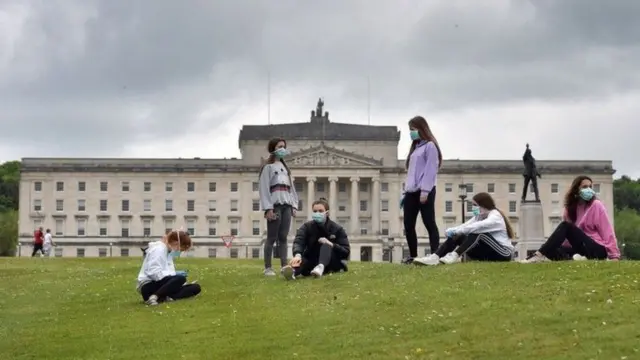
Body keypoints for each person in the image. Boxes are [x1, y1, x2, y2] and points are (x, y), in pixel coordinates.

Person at [523, 175, 620, 263]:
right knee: (552, 249)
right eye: (585, 187)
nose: (589, 190)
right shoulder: (569, 209)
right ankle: (576, 259)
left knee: (566, 225)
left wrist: (614, 255)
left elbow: (607, 232)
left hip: (597, 248)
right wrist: (556, 246)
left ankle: (538, 255)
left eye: (590, 187)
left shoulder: (596, 205)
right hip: (579, 247)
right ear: (576, 190)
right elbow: (569, 237)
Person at [413, 192, 515, 265]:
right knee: (459, 235)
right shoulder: (479, 216)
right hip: (488, 253)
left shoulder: (495, 216)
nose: (473, 208)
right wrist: (452, 230)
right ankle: (435, 257)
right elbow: (465, 226)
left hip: (503, 254)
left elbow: (479, 226)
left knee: (477, 232)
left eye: (475, 205)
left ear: (483, 205)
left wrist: (458, 231)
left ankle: (454, 256)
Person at [401, 116, 443, 264]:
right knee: (408, 224)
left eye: (412, 129)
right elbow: (411, 173)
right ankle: (413, 256)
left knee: (429, 222)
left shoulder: (430, 146)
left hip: (425, 191)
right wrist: (405, 193)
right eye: (410, 130)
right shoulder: (415, 148)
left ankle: (435, 255)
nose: (411, 133)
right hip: (411, 192)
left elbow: (431, 170)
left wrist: (425, 191)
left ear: (421, 129)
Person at [259, 137, 299, 276]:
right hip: (275, 206)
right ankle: (268, 268)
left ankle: (284, 266)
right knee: (271, 237)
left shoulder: (286, 169)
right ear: (273, 149)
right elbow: (264, 189)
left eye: (284, 146)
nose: (283, 149)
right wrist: (268, 208)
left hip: (286, 205)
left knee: (283, 237)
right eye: (279, 146)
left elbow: (291, 189)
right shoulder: (268, 167)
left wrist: (294, 205)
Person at [281, 198, 350, 280]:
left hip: (331, 262)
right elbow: (299, 241)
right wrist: (298, 255)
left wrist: (331, 244)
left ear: (327, 213)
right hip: (312, 260)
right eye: (315, 211)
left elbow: (346, 251)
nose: (317, 213)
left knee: (326, 245)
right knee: (301, 260)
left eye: (320, 211)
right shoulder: (307, 227)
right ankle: (292, 272)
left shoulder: (337, 229)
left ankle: (320, 267)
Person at [136, 230, 201, 306]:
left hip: (160, 285)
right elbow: (153, 273)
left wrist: (175, 280)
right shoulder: (159, 250)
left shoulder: (168, 253)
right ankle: (154, 297)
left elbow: (167, 275)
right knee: (181, 278)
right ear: (176, 243)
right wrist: (173, 276)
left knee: (196, 287)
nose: (179, 252)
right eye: (180, 249)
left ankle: (165, 297)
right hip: (148, 286)